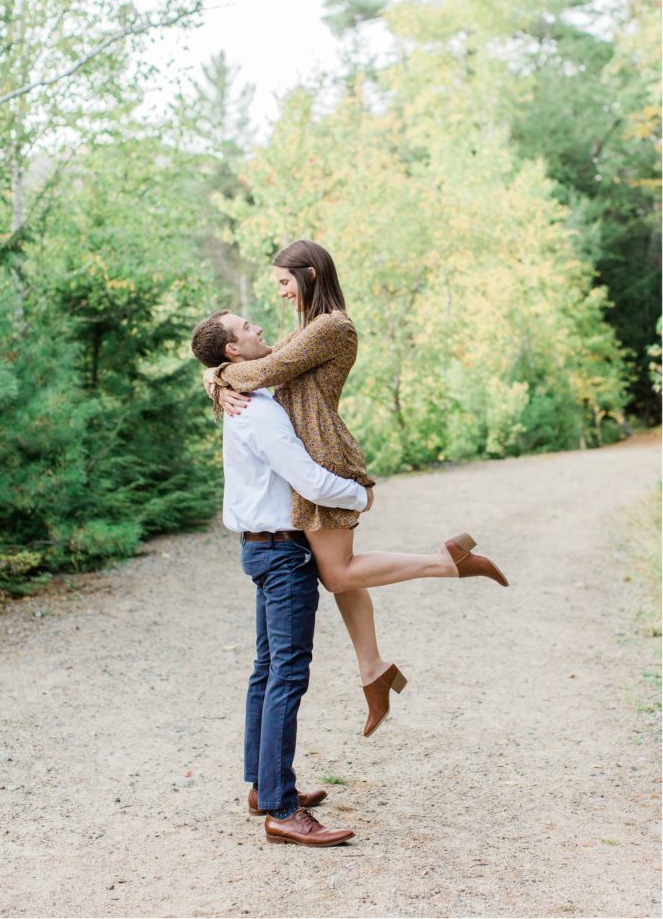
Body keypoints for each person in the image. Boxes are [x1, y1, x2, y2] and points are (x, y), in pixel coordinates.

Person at [194, 240, 508, 739]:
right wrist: (216, 378)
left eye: (283, 282)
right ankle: (373, 669)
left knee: (337, 575)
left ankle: (448, 562)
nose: (279, 294)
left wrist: (217, 375)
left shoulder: (332, 327)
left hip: (321, 456)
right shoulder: (306, 329)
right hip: (310, 452)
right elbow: (253, 369)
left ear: (311, 274)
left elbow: (259, 372)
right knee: (338, 570)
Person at [194, 309, 370, 845]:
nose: (258, 329)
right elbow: (312, 482)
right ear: (232, 352)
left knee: (266, 671)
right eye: (246, 327)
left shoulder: (247, 398)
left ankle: (262, 787)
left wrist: (213, 382)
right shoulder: (260, 413)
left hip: (263, 549)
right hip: (283, 553)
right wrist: (361, 493)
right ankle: (281, 810)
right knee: (286, 677)